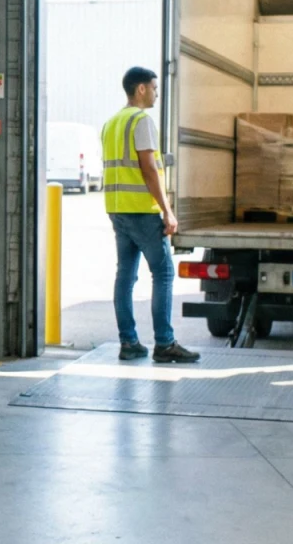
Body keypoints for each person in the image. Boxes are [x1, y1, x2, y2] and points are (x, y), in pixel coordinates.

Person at [102, 68, 199, 364]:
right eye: (154, 88)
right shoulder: (141, 121)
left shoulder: (111, 123)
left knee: (125, 276)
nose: (157, 93)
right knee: (164, 273)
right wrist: (167, 211)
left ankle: (129, 342)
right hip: (143, 211)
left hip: (117, 209)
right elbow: (149, 169)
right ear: (141, 89)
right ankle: (165, 343)